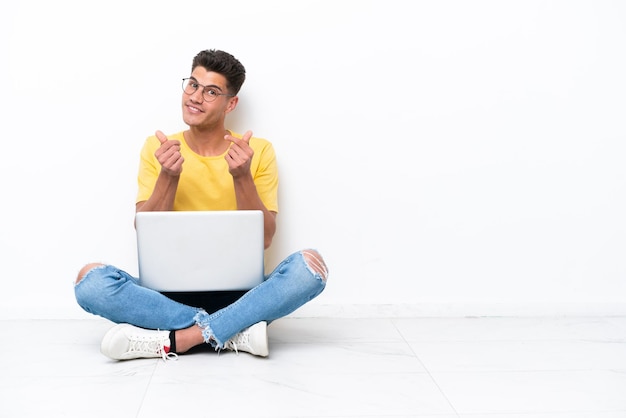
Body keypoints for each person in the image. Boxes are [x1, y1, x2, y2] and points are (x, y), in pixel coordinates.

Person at [74, 49, 328, 361]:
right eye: (192, 85)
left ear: (230, 104)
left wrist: (242, 177)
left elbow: (264, 238)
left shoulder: (257, 151)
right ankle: (233, 331)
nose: (195, 97)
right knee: (90, 283)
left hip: (241, 295)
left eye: (211, 91)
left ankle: (179, 339)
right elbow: (145, 232)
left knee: (310, 268)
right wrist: (168, 175)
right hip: (165, 297)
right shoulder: (159, 148)